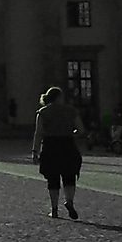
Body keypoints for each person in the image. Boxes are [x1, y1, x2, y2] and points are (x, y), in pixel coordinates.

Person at [32, 87, 85, 219]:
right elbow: (81, 129)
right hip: (68, 145)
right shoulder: (71, 111)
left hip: (50, 146)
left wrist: (35, 151)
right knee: (69, 176)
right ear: (60, 97)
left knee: (53, 178)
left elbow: (38, 133)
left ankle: (54, 209)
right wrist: (73, 133)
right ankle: (69, 201)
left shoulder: (43, 112)